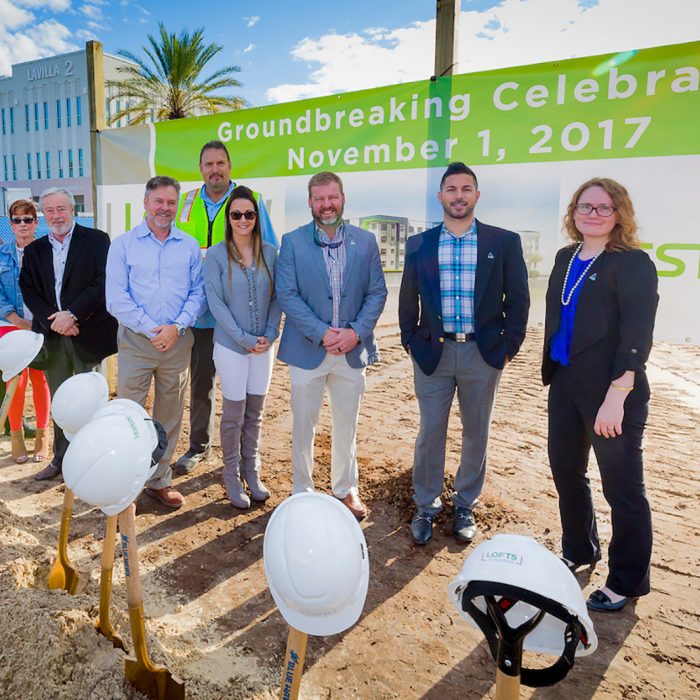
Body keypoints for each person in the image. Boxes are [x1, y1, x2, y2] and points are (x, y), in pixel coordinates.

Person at [542, 177, 658, 613]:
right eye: (584, 207)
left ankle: (627, 580)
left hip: (612, 391)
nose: (592, 214)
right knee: (566, 472)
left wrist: (618, 394)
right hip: (567, 383)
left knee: (623, 487)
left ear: (619, 214)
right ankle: (579, 549)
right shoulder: (564, 256)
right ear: (573, 213)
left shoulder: (633, 264)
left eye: (603, 207)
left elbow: (636, 335)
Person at [399, 162, 530, 545]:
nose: (459, 195)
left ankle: (464, 504)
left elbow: (518, 301)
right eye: (451, 189)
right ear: (440, 196)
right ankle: (426, 504)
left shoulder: (503, 242)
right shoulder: (419, 244)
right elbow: (409, 299)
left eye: (466, 188)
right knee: (430, 432)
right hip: (432, 357)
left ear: (476, 195)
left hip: (482, 354)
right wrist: (410, 339)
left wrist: (508, 348)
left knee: (476, 432)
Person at [276, 171, 387, 520]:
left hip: (352, 352)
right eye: (319, 198)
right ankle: (301, 490)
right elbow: (287, 295)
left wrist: (354, 332)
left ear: (343, 198)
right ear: (310, 202)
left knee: (346, 425)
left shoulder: (366, 241)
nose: (327, 204)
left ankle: (345, 489)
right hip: (308, 350)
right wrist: (323, 333)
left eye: (332, 197)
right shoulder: (291, 242)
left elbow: (377, 292)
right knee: (303, 425)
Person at [173, 140, 277, 475]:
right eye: (208, 164)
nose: (214, 170)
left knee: (248, 393)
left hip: (243, 317)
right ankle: (199, 447)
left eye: (221, 163)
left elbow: (269, 252)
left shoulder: (249, 201)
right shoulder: (185, 203)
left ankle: (247, 458)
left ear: (230, 166)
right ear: (200, 168)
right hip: (201, 315)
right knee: (201, 383)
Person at [106, 176, 206, 510]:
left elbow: (198, 293)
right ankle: (125, 486)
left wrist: (176, 328)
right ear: (146, 203)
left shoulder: (189, 245)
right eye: (158, 202)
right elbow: (116, 299)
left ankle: (159, 481)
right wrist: (153, 329)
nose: (165, 208)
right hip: (137, 343)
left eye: (170, 203)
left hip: (177, 343)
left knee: (169, 415)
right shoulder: (123, 245)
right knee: (129, 416)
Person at [20, 187, 118, 481]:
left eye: (61, 209)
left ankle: (92, 461)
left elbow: (102, 283)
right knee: (61, 402)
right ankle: (61, 459)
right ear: (43, 214)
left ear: (72, 210)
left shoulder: (97, 241)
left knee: (91, 400)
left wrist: (72, 314)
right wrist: (55, 321)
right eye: (49, 210)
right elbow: (29, 290)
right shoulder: (35, 250)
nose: (56, 215)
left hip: (88, 335)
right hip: (53, 338)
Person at [204, 186, 281, 508]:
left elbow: (278, 296)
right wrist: (244, 339)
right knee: (234, 414)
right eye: (236, 214)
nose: (243, 219)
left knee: (256, 413)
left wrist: (270, 332)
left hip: (264, 347)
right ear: (229, 218)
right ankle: (232, 476)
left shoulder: (271, 253)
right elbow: (216, 303)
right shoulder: (217, 255)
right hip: (231, 347)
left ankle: (253, 471)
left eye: (249, 214)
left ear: (256, 217)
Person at [0, 199, 51, 463]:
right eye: (17, 220)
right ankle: (17, 435)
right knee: (15, 381)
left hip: (41, 325)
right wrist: (16, 320)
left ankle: (43, 435)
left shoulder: (47, 251)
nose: (22, 225)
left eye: (27, 219)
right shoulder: (2, 254)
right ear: (10, 225)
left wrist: (40, 321)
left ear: (35, 223)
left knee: (40, 379)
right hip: (10, 325)